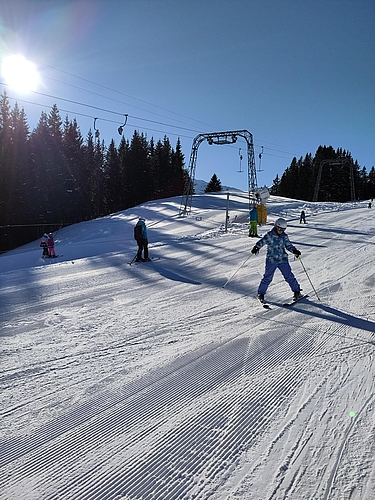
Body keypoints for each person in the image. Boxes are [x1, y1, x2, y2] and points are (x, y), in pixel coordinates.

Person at [251, 217, 302, 302]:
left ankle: (297, 292)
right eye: (280, 229)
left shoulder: (284, 236)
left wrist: (294, 250)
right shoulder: (269, 235)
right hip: (271, 260)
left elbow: (288, 245)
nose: (281, 231)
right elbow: (262, 241)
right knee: (267, 277)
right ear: (276, 227)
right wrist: (256, 247)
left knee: (289, 276)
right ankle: (261, 293)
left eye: (283, 230)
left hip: (283, 260)